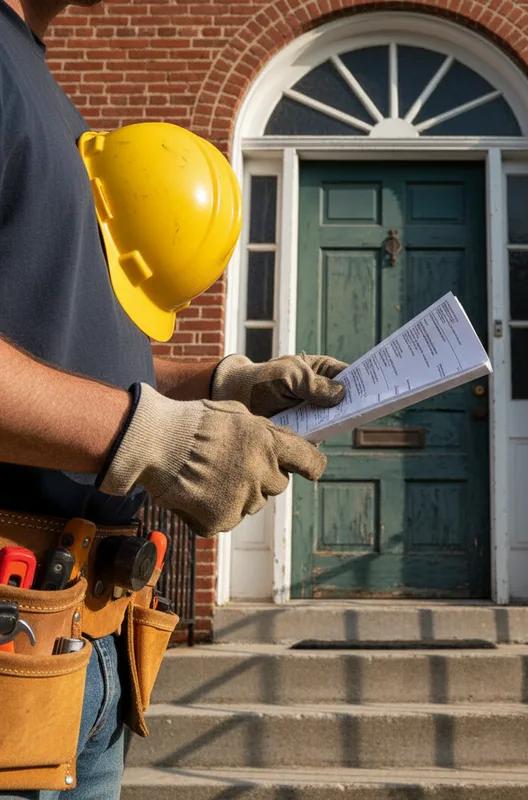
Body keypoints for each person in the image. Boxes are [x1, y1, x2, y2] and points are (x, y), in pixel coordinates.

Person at [0, 1, 345, 797]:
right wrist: (152, 435)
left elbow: (57, 347)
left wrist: (218, 387)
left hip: (82, 659)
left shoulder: (44, 91)